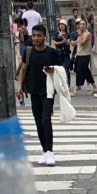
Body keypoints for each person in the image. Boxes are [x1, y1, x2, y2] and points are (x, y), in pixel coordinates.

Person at [15, 23, 64, 166]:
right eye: (34, 35)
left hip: (48, 92)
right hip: (34, 91)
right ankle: (44, 151)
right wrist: (20, 88)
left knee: (45, 120)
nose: (36, 38)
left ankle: (50, 151)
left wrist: (52, 70)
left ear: (44, 36)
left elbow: (61, 71)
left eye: (39, 36)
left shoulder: (52, 53)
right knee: (38, 122)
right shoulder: (29, 51)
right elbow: (23, 69)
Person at [73, 17, 97, 96]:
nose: (81, 26)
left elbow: (82, 42)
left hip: (85, 55)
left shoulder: (87, 33)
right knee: (84, 71)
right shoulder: (79, 33)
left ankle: (76, 89)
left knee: (80, 71)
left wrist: (80, 35)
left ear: (86, 25)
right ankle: (94, 87)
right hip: (79, 54)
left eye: (83, 24)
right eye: (80, 24)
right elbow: (77, 43)